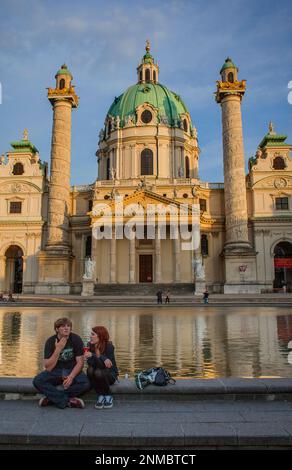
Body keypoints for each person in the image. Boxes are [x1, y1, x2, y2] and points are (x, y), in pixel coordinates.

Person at [33, 317, 90, 409]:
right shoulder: (50, 341)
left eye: (68, 326)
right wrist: (58, 349)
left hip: (71, 370)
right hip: (55, 371)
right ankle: (68, 401)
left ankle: (52, 398)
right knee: (37, 381)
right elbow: (48, 368)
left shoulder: (76, 339)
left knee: (86, 383)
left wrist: (71, 377)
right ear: (56, 329)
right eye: (63, 326)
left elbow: (80, 362)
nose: (66, 328)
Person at [84, 326, 118, 410]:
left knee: (99, 372)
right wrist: (96, 357)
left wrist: (94, 355)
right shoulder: (89, 345)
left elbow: (107, 366)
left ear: (100, 336)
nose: (90, 336)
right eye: (91, 334)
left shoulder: (109, 346)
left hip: (109, 375)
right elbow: (90, 363)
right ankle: (100, 395)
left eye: (93, 334)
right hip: (96, 373)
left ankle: (108, 395)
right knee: (90, 370)